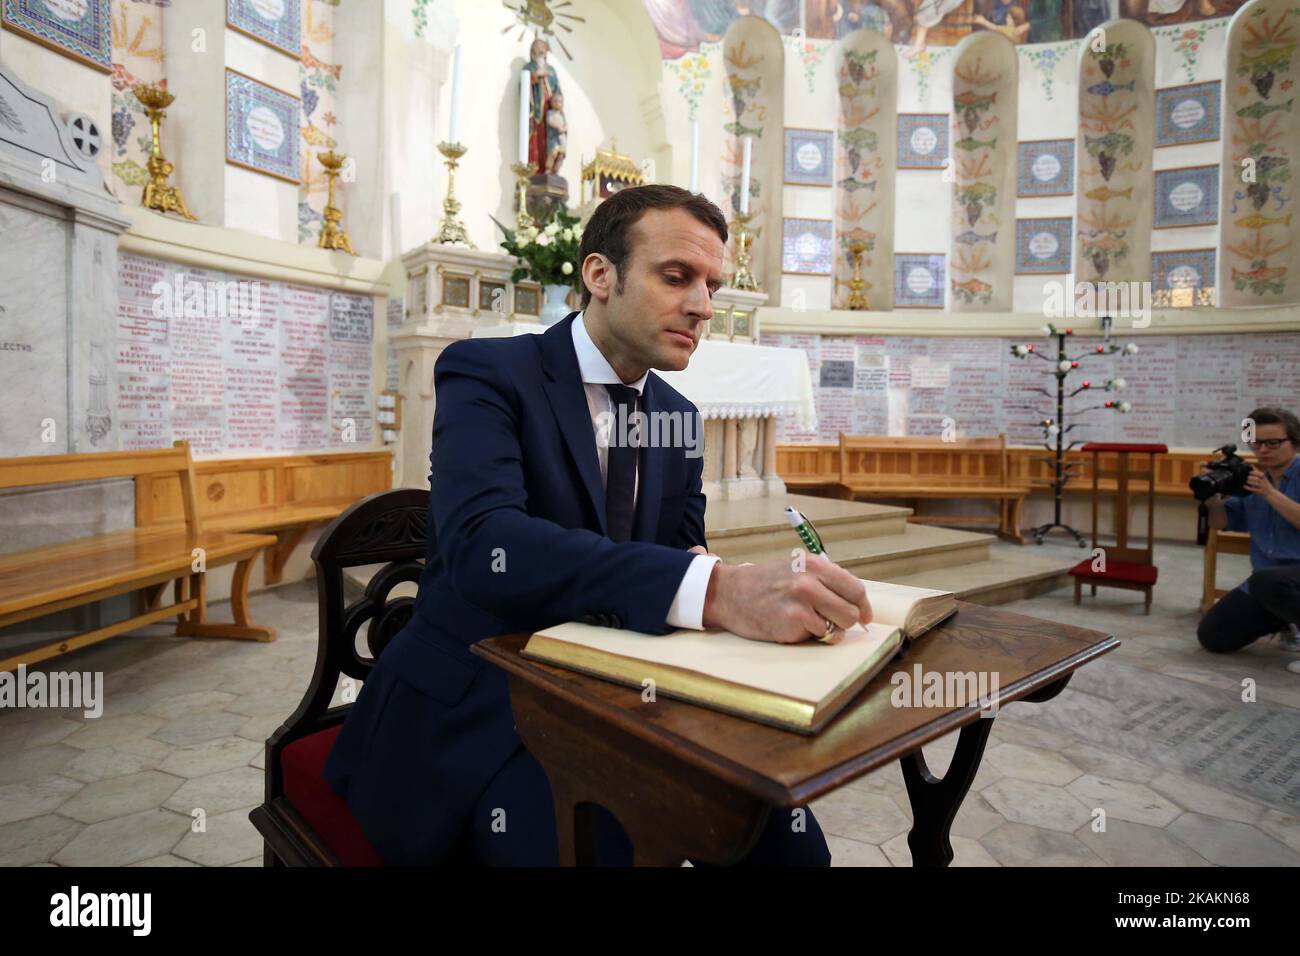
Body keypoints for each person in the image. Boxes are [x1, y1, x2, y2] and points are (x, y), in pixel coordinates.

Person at [324, 185, 872, 865]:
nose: (703, 306)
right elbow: (482, 545)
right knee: (598, 847)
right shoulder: (489, 372)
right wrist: (714, 587)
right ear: (599, 274)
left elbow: (679, 552)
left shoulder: (677, 415)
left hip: (626, 696)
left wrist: (721, 591)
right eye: (676, 277)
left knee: (790, 848)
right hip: (489, 702)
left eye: (712, 285)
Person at [1197, 407, 1300, 657]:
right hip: (1269, 583)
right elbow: (1220, 523)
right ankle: (1286, 620)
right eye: (1256, 443)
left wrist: (1270, 494)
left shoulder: (1264, 485)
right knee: (1213, 635)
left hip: (1286, 578)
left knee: (1268, 580)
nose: (1263, 450)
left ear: (1295, 443)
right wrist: (1211, 500)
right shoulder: (1252, 480)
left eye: (1273, 443)